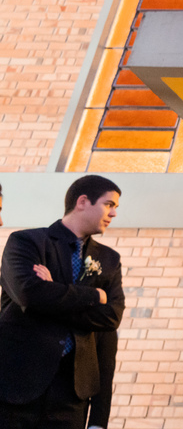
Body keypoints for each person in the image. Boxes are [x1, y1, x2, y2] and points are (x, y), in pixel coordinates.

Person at [0, 175, 124, 429]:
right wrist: (94, 296)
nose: (113, 214)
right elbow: (28, 294)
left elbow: (111, 318)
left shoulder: (109, 260)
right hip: (15, 388)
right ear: (82, 201)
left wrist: (52, 292)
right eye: (108, 204)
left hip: (71, 398)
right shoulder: (27, 243)